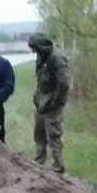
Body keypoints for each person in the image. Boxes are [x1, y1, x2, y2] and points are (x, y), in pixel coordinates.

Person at [28, 33, 70, 173]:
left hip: (53, 103)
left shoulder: (57, 58)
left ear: (41, 46)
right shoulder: (41, 57)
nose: (33, 51)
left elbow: (64, 84)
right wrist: (37, 97)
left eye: (35, 48)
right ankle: (39, 160)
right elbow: (40, 79)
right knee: (38, 132)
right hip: (41, 101)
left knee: (53, 134)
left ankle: (58, 165)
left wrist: (54, 102)